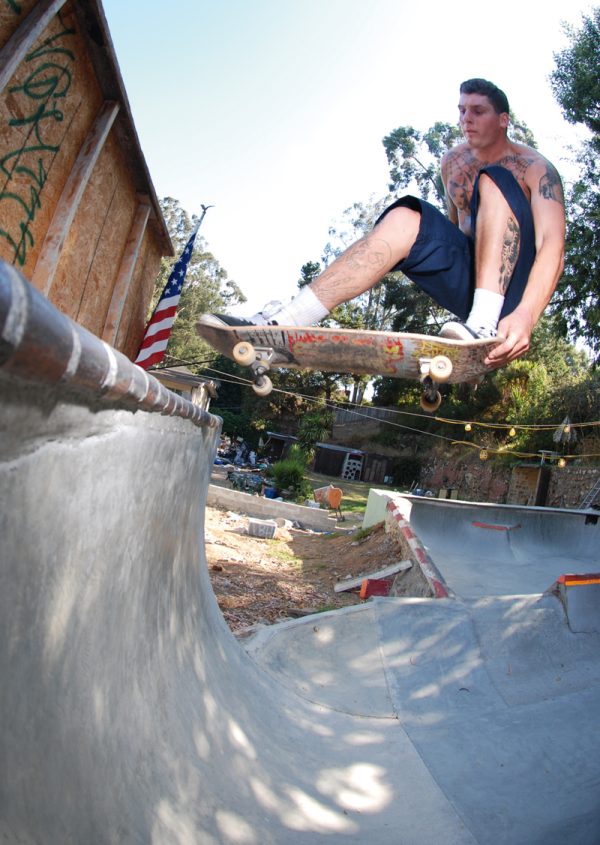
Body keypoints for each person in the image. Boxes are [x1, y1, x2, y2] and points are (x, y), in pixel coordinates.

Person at [204, 78, 565, 369]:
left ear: (503, 119)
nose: (465, 119)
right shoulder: (453, 163)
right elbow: (455, 233)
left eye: (478, 111)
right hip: (472, 284)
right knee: (408, 216)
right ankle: (284, 320)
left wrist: (525, 317)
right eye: (461, 110)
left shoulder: (535, 168)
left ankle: (483, 323)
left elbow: (553, 246)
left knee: (494, 180)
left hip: (516, 294)